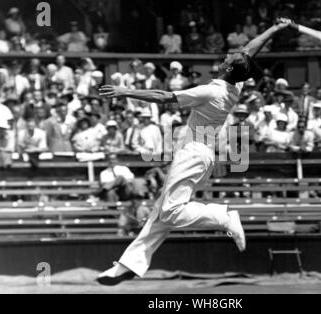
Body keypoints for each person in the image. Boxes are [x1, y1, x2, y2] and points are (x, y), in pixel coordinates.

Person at [97, 18, 293, 285]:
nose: (226, 55)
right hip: (201, 153)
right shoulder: (235, 83)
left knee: (170, 211)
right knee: (161, 213)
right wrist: (275, 29)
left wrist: (124, 91)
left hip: (193, 153)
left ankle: (223, 217)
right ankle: (128, 265)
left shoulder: (210, 91)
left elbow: (164, 97)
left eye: (228, 56)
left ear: (227, 67)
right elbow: (250, 50)